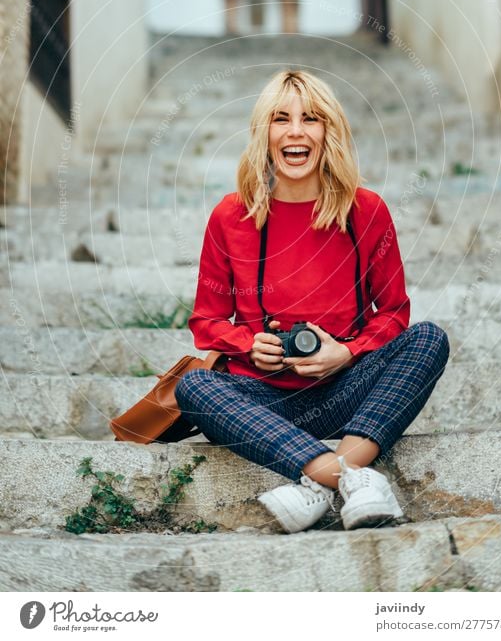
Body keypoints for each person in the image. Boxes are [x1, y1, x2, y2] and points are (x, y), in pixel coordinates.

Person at [175, 70, 449, 534]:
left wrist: (346, 352)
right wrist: (248, 344)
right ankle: (349, 480)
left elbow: (395, 314)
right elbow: (207, 320)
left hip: (346, 388)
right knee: (194, 388)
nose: (296, 132)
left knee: (429, 340)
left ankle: (316, 487)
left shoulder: (367, 212)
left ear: (329, 132)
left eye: (312, 119)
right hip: (262, 397)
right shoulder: (230, 216)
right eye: (281, 119)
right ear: (265, 133)